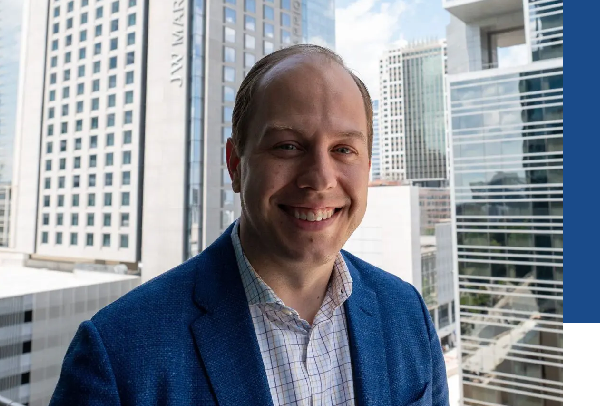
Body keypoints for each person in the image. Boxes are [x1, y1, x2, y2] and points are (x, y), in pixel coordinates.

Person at [50, 44, 449, 406]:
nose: (320, 178)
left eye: (343, 149)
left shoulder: (407, 310)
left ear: (366, 165)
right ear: (236, 165)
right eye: (288, 146)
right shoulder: (118, 353)